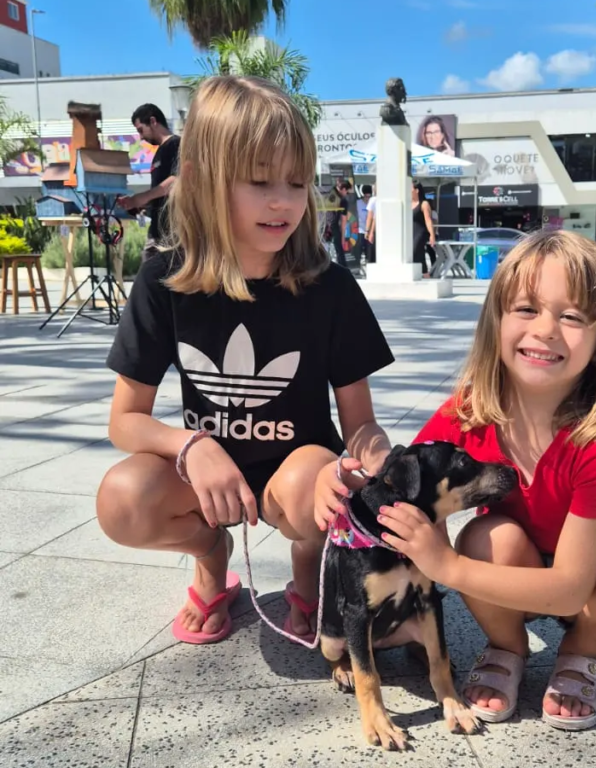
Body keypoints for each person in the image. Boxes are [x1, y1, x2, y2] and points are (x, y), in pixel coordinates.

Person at [320, 229, 596, 731]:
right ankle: (508, 644)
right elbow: (401, 487)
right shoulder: (468, 411)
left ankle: (580, 651)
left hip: (587, 574)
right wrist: (338, 479)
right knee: (489, 537)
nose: (546, 330)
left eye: (572, 317)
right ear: (496, 321)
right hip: (510, 561)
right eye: (526, 308)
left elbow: (570, 589)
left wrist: (446, 565)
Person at [97, 76, 395, 646]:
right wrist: (192, 445)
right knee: (122, 500)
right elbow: (124, 421)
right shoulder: (163, 279)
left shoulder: (330, 287)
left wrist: (379, 460)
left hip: (297, 478)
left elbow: (359, 424)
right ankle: (211, 554)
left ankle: (309, 561)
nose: (282, 200)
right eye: (259, 181)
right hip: (206, 479)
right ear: (202, 180)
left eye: (297, 182)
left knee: (317, 481)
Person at [117, 104, 181, 262]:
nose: (141, 137)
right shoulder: (159, 152)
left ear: (153, 121)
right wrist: (141, 205)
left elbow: (177, 181)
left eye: (141, 130)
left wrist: (142, 197)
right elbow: (161, 193)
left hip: (174, 234)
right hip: (157, 232)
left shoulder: (176, 145)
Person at [412, 181, 436, 278]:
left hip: (421, 232)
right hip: (411, 232)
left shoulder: (424, 204)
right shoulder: (408, 203)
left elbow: (428, 220)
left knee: (415, 250)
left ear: (417, 190)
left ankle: (424, 274)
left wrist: (432, 235)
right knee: (418, 254)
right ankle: (425, 274)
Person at [330, 179, 351, 268]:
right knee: (339, 250)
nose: (347, 194)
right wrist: (342, 237)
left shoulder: (328, 193)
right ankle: (343, 269)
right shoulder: (343, 201)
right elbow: (343, 220)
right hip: (333, 226)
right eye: (347, 192)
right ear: (344, 189)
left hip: (321, 225)